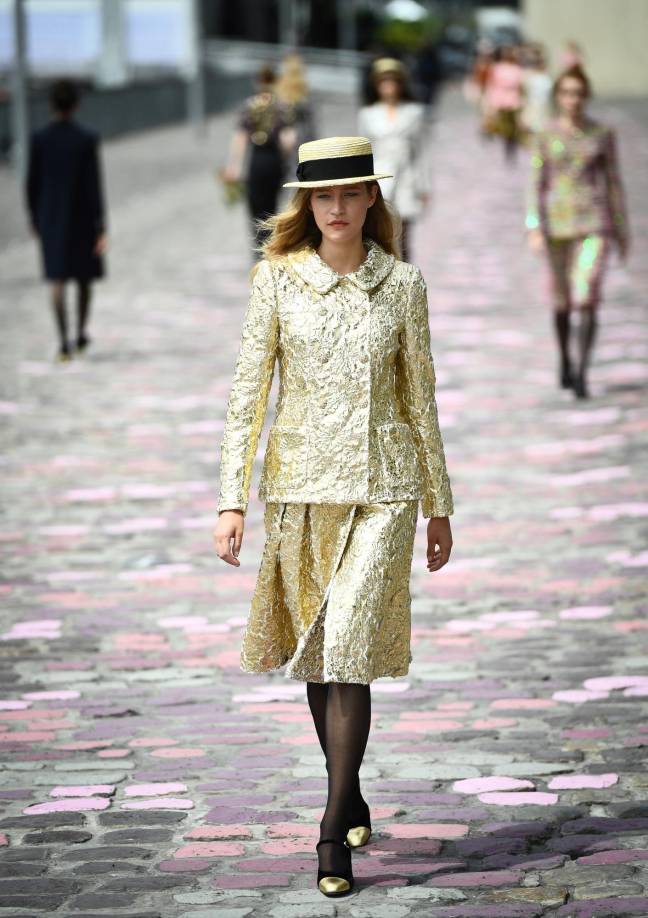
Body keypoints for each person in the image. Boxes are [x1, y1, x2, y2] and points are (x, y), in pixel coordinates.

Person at [213, 136, 454, 897]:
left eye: (352, 193)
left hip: (387, 487)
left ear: (372, 198)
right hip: (301, 488)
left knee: (348, 640)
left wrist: (439, 505)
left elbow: (422, 400)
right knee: (321, 652)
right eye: (324, 196)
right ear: (306, 204)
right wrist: (231, 498)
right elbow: (248, 393)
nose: (339, 208)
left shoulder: (404, 285)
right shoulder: (276, 281)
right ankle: (348, 791)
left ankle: (328, 831)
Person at [526, 66, 629, 399]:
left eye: (579, 93)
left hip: (594, 223)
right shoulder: (545, 134)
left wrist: (621, 228)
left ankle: (583, 370)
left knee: (586, 295)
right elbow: (535, 185)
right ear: (558, 96)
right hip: (556, 225)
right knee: (561, 300)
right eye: (567, 93)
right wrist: (534, 227)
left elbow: (613, 183)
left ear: (586, 96)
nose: (573, 100)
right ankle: (565, 359)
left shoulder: (601, 133)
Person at [26, 79, 106, 361]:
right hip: (82, 217)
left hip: (51, 217)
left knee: (57, 280)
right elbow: (94, 186)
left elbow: (32, 183)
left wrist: (34, 217)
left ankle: (62, 343)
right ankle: (81, 334)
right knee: (84, 279)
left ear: (51, 104)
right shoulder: (86, 139)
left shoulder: (39, 139)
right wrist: (101, 227)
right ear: (76, 104)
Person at [358, 58, 430, 261]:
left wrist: (425, 186)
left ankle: (407, 282)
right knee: (379, 235)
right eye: (383, 81)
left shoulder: (414, 113)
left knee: (405, 237)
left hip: (407, 178)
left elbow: (422, 152)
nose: (388, 86)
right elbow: (364, 150)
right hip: (379, 178)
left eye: (393, 81)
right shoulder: (368, 114)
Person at [223, 65, 295, 255]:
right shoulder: (282, 106)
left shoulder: (249, 105)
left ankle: (259, 248)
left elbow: (241, 138)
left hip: (257, 158)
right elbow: (288, 140)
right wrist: (285, 159)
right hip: (274, 159)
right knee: (271, 207)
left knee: (255, 204)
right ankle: (269, 247)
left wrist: (234, 166)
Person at [483, 44, 525, 161]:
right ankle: (502, 148)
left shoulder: (516, 68)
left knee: (512, 128)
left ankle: (510, 148)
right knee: (501, 127)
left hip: (513, 100)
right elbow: (492, 85)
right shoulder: (496, 68)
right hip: (500, 100)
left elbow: (520, 86)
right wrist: (491, 102)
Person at [520, 44, 552, 137]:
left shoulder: (547, 73)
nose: (538, 59)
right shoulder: (526, 75)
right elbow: (523, 96)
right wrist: (522, 115)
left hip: (546, 111)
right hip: (532, 111)